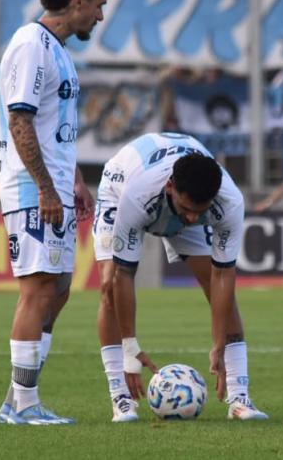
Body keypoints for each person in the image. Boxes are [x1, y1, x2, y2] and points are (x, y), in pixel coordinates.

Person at [0, 0, 118, 426]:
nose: (101, 15)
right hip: (32, 190)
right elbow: (19, 121)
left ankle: (16, 399)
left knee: (60, 288)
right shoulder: (31, 45)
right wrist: (46, 189)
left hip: (55, 188)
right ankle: (24, 406)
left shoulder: (58, 52)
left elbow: (51, 128)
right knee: (39, 289)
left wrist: (73, 182)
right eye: (99, 4)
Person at [93, 132, 269, 422]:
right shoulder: (137, 195)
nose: (189, 219)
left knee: (219, 293)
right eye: (187, 210)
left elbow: (223, 276)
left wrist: (218, 345)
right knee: (108, 287)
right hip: (119, 185)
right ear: (171, 186)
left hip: (183, 192)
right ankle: (121, 398)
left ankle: (239, 398)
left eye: (198, 212)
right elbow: (123, 275)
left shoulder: (229, 202)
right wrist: (130, 349)